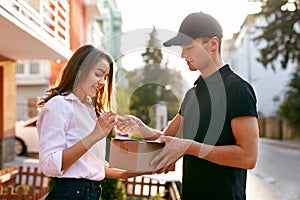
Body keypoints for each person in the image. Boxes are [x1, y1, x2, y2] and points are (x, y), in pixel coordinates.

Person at [117, 12, 259, 200]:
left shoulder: (237, 90)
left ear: (213, 44)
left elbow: (248, 157)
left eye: (189, 47)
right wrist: (140, 128)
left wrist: (190, 147)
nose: (183, 55)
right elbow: (168, 141)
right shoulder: (193, 94)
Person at [37, 44, 143, 200]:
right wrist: (96, 135)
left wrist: (138, 171)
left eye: (105, 77)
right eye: (98, 74)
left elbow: (93, 167)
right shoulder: (59, 105)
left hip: (92, 193)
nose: (102, 82)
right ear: (80, 70)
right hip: (70, 194)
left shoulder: (90, 110)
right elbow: (49, 165)